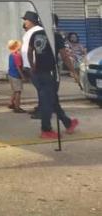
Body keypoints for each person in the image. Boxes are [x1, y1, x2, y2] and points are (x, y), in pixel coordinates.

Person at [23, 11, 79, 139]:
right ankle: (46, 129)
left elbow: (30, 51)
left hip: (37, 73)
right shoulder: (55, 36)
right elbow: (64, 56)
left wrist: (32, 66)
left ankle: (68, 123)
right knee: (47, 101)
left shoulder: (35, 34)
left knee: (51, 99)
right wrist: (73, 71)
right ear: (54, 24)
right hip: (50, 73)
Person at [7, 39, 25, 113]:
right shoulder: (17, 55)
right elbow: (18, 67)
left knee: (14, 90)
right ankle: (17, 107)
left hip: (11, 74)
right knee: (18, 91)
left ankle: (11, 103)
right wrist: (22, 76)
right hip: (16, 75)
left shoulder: (11, 55)